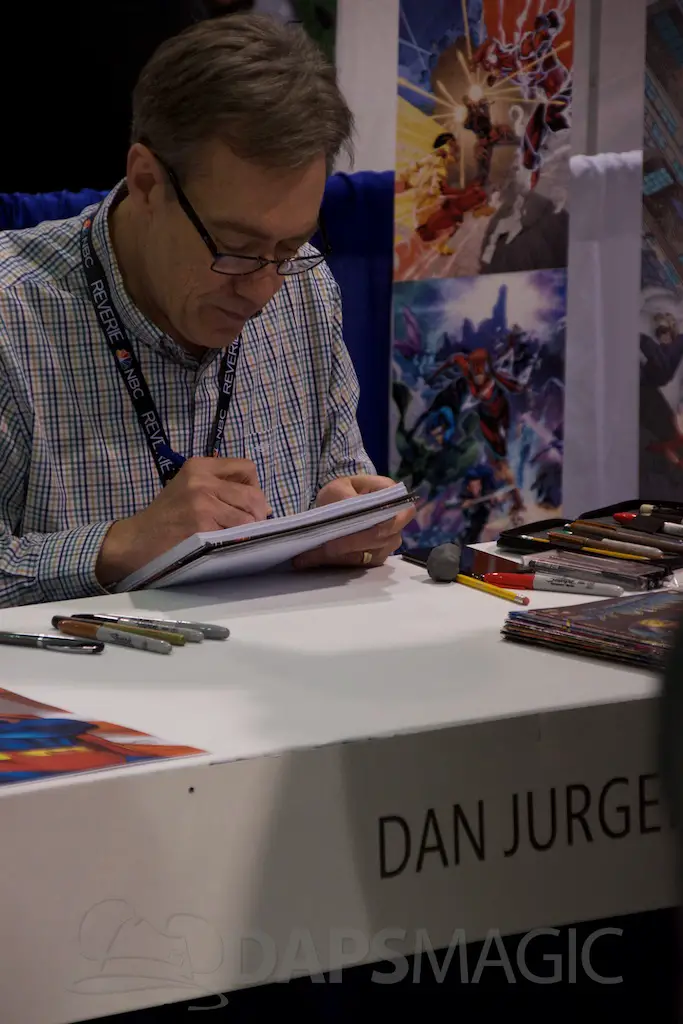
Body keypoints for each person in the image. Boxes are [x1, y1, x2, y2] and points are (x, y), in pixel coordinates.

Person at [0, 14, 413, 609]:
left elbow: (341, 481)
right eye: (235, 248)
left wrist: (342, 525)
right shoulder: (14, 313)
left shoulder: (307, 289)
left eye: (289, 247)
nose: (263, 288)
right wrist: (121, 545)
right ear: (147, 182)